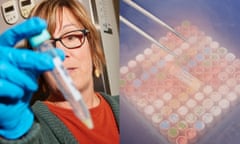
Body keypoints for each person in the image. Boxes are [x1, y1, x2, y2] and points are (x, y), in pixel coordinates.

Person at [0, 0, 119, 143]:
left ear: (92, 48)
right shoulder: (33, 125)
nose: (61, 54)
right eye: (47, 44)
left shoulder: (125, 105)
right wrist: (15, 134)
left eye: (71, 37)